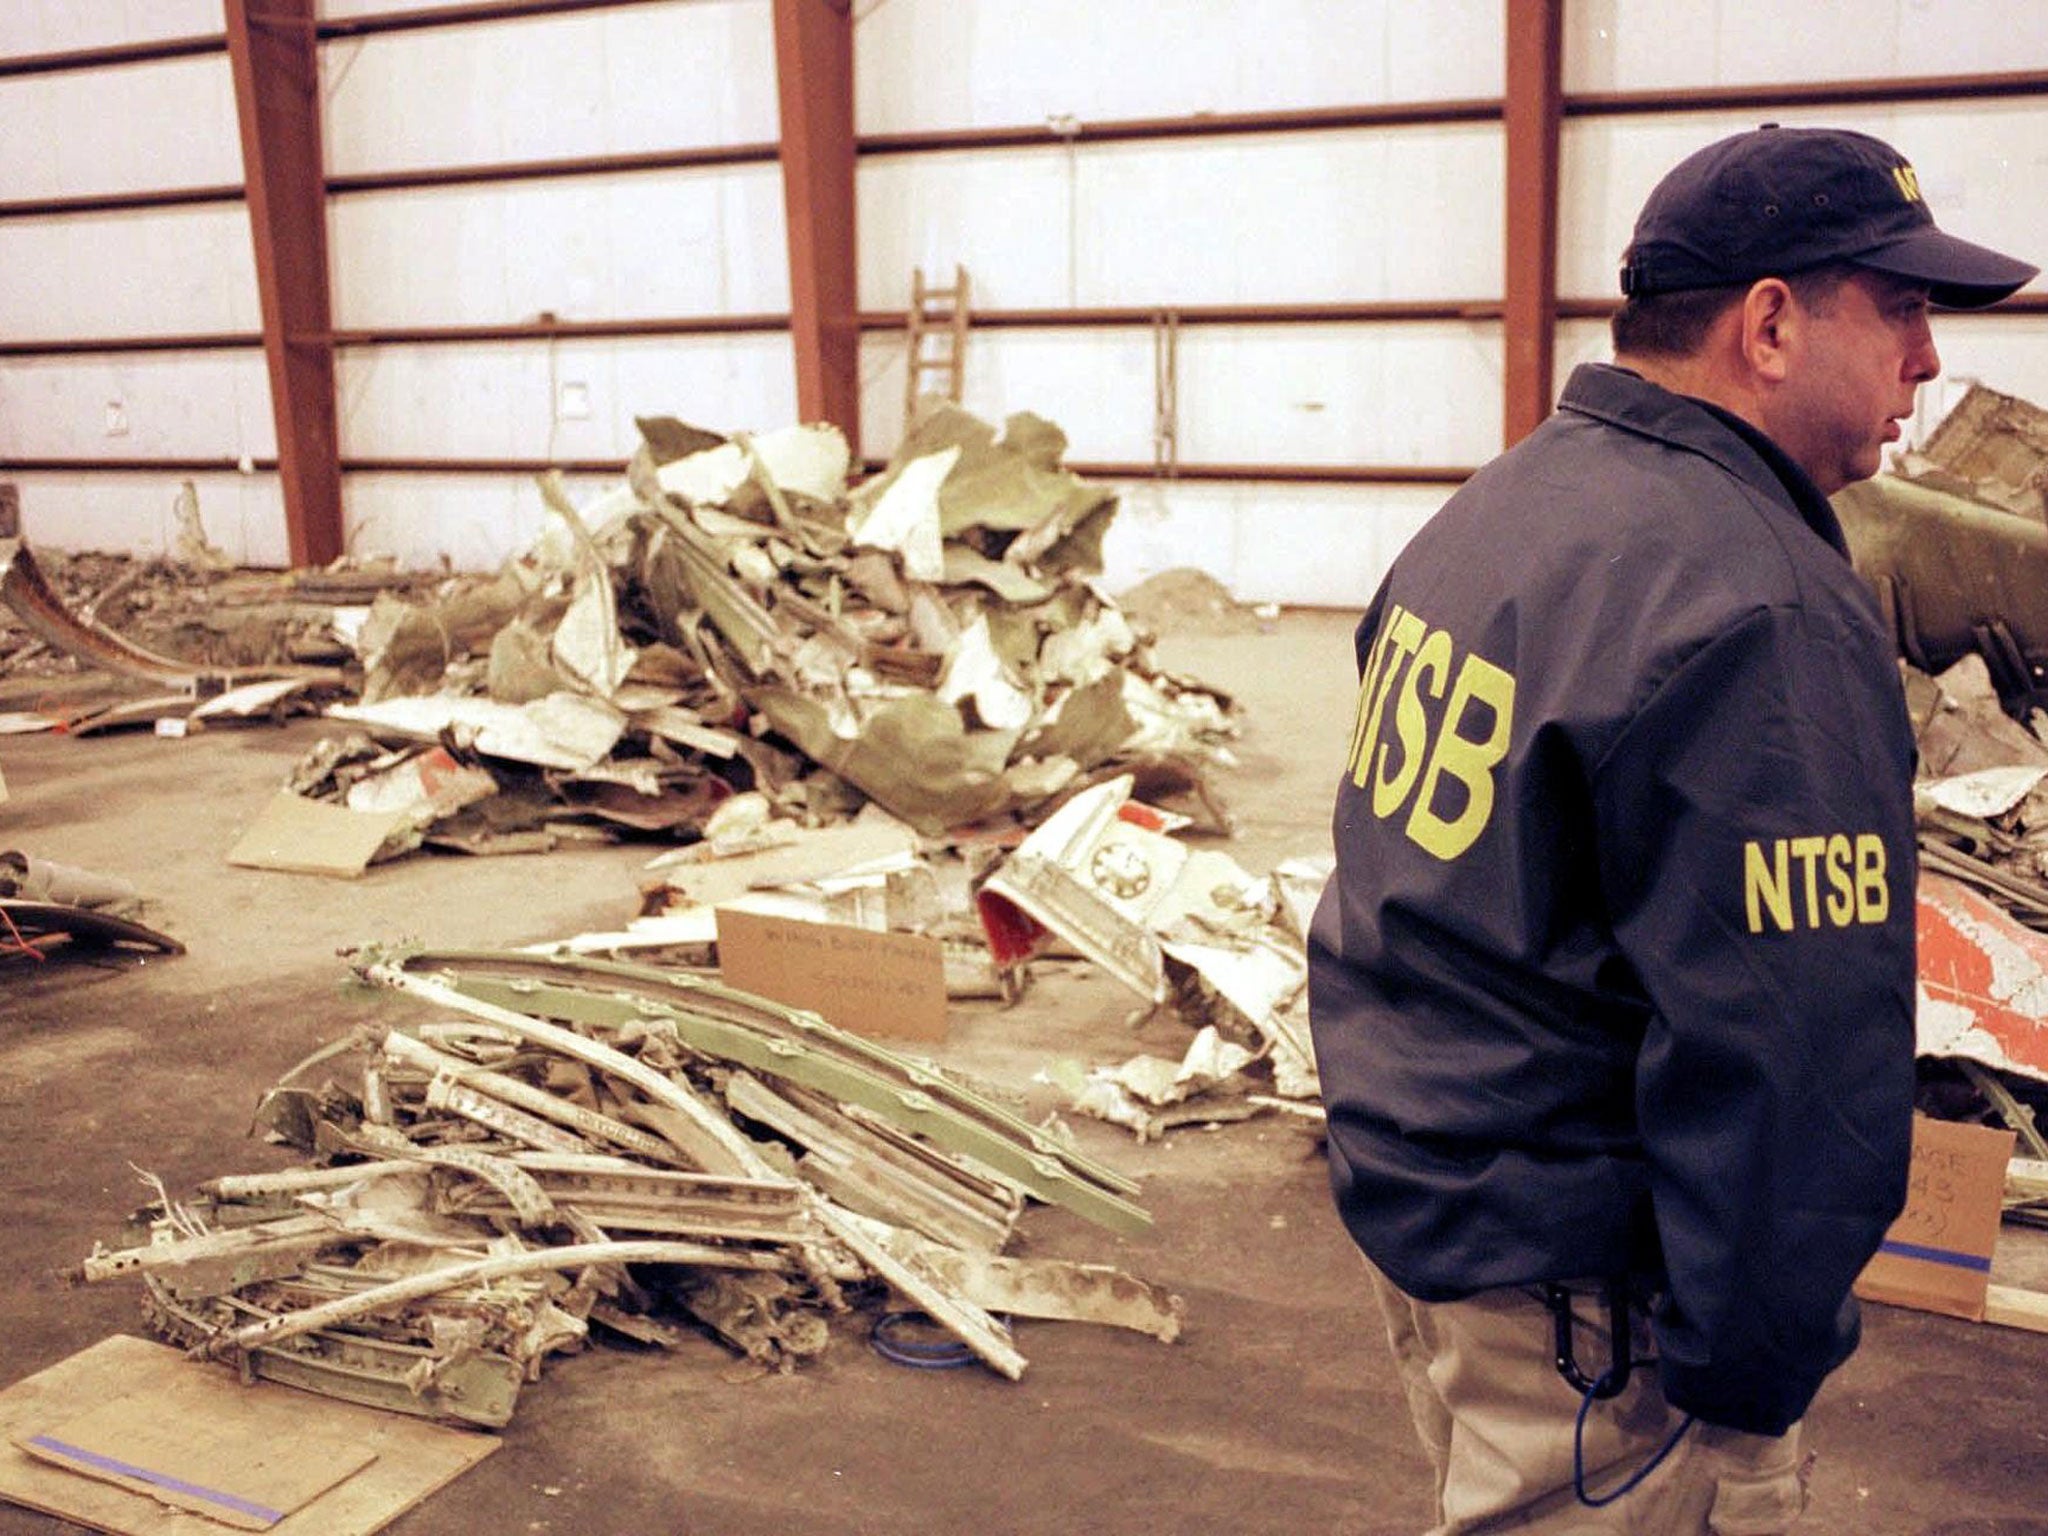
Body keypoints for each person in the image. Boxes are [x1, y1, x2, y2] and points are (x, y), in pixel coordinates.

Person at [1307, 125, 2038, 1535]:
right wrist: (1755, 1382)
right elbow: (1788, 1053)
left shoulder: (1495, 514)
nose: (1929, 361)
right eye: (1899, 306)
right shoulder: (1752, 599)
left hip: (1436, 1224)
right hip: (1593, 1317)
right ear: (1770, 323)